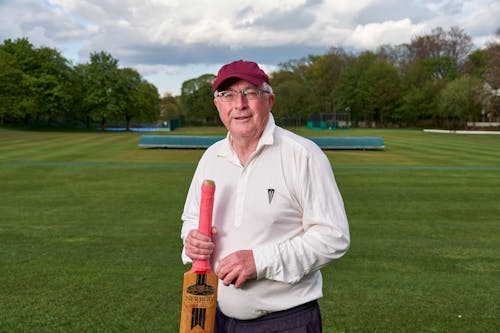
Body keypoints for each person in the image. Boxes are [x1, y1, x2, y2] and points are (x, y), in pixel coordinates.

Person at [181, 60, 350, 332]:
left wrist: (260, 261)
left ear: (269, 100)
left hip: (285, 322)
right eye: (227, 95)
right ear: (218, 105)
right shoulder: (211, 157)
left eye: (249, 92)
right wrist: (191, 240)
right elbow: (191, 217)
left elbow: (333, 237)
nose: (239, 104)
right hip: (217, 318)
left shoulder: (302, 155)